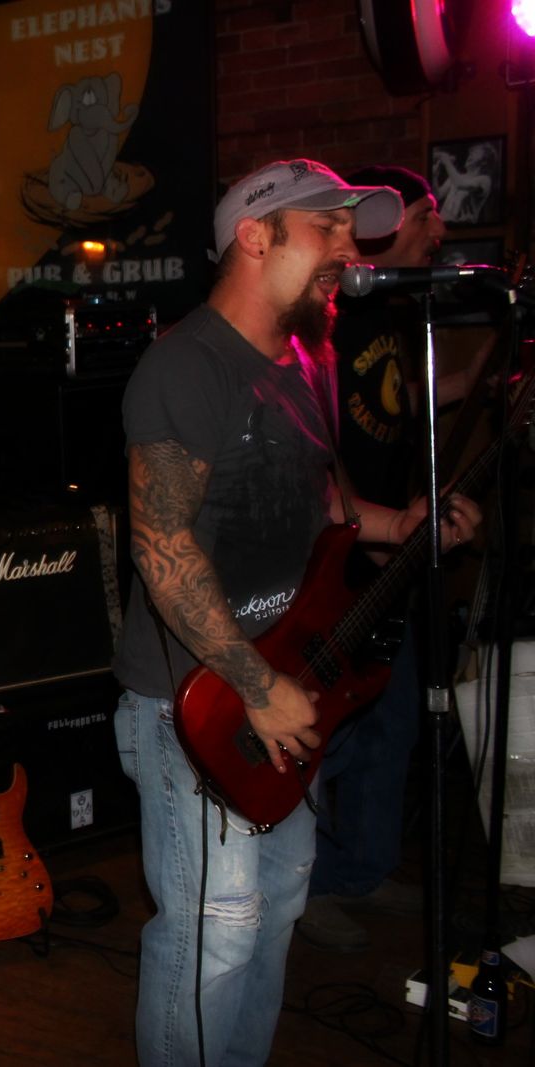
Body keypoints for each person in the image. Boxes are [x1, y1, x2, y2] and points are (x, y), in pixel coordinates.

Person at [111, 158, 481, 1065]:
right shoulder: (187, 366)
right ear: (255, 235)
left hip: (286, 678)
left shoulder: (307, 359)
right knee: (215, 929)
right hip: (200, 699)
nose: (351, 248)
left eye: (354, 228)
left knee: (274, 907)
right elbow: (160, 547)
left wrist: (401, 523)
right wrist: (255, 682)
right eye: (328, 226)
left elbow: (319, 501)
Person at [297, 165, 489, 952]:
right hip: (340, 556)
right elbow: (314, 442)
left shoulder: (395, 310)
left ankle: (362, 868)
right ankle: (305, 884)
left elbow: (400, 402)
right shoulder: (330, 316)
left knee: (394, 721)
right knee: (323, 733)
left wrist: (482, 375)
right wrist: (365, 529)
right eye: (427, 213)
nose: (440, 229)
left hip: (391, 548)